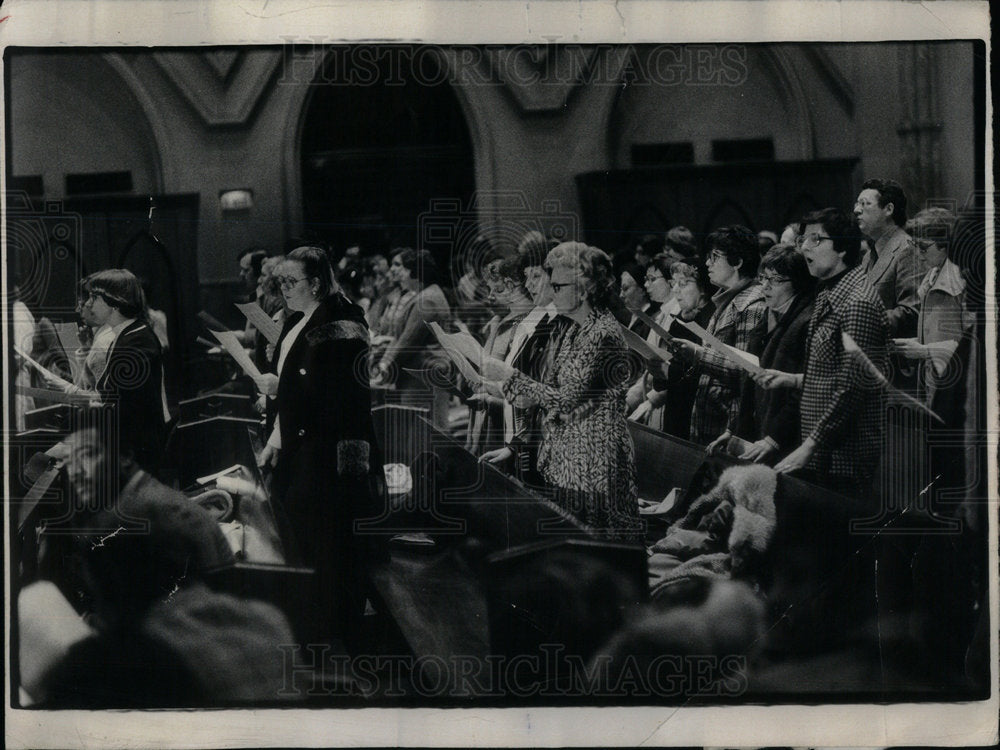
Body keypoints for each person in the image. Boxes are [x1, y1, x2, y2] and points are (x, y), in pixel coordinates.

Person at [254, 245, 383, 644]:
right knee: (307, 535)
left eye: (292, 282)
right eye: (281, 282)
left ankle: (337, 638)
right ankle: (319, 630)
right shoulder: (302, 318)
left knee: (331, 543)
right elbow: (298, 379)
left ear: (316, 282)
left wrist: (281, 388)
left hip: (333, 450)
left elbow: (342, 393)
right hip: (304, 442)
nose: (285, 289)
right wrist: (276, 424)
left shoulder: (343, 319)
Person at [480, 242, 641, 540]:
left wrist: (510, 375)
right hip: (566, 457)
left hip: (595, 458)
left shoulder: (601, 332)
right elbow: (548, 392)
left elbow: (565, 400)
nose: (551, 293)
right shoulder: (572, 329)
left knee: (600, 549)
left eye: (558, 285)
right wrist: (515, 443)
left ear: (586, 287)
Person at [759, 208, 889, 495]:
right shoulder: (829, 291)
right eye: (805, 238)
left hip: (843, 456)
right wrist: (792, 379)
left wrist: (811, 445)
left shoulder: (857, 302)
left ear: (842, 248)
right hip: (825, 453)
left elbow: (853, 387)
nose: (804, 246)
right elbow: (834, 372)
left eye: (816, 240)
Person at [46, 270, 166, 475]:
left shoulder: (134, 342)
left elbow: (125, 412)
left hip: (135, 456)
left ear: (115, 303)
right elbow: (114, 397)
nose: (89, 304)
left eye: (94, 297)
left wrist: (79, 423)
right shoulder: (127, 335)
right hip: (126, 443)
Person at [710, 244, 815, 464]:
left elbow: (803, 392)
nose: (764, 287)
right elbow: (748, 381)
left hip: (787, 441)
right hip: (760, 434)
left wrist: (773, 438)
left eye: (774, 280)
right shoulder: (769, 314)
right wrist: (734, 430)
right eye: (763, 278)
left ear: (797, 282)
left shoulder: (806, 321)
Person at [673, 226, 767, 446]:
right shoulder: (726, 301)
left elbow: (747, 370)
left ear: (737, 261)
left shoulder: (751, 304)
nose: (707, 264)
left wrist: (698, 354)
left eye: (714, 257)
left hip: (729, 426)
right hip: (710, 422)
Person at [630, 256, 715, 440]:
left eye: (683, 284)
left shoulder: (711, 322)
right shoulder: (680, 321)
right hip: (674, 414)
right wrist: (660, 372)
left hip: (698, 418)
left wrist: (670, 372)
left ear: (703, 288)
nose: (675, 290)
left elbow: (706, 376)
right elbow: (666, 380)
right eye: (674, 283)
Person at [372, 248, 453, 427]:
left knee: (424, 432)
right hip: (419, 375)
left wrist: (384, 365)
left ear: (415, 273)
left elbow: (407, 341)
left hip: (425, 375)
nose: (398, 275)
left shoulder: (427, 300)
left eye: (403, 270)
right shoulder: (423, 296)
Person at [466, 256, 535, 455]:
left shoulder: (529, 323)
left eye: (498, 290)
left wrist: (490, 393)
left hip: (513, 422)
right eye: (490, 290)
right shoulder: (500, 321)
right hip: (493, 416)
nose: (490, 297)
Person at [853, 178, 919, 336]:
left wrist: (858, 320)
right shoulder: (868, 256)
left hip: (897, 355)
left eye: (864, 203)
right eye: (857, 203)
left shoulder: (907, 249)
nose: (856, 210)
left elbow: (914, 312)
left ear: (888, 209)